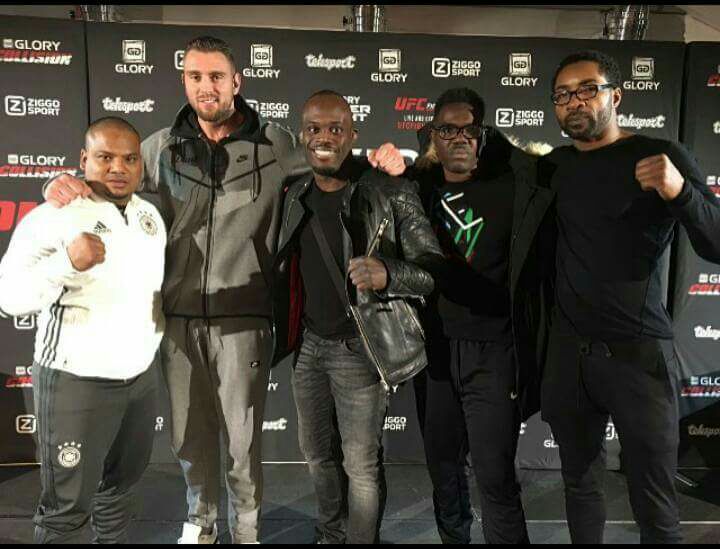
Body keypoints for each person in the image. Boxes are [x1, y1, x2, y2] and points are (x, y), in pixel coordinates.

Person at [43, 36, 405, 545]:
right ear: (184, 81)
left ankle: (247, 532)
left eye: (216, 76)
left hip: (245, 321)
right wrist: (55, 182)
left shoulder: (276, 144)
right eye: (195, 76)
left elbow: (331, 161)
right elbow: (106, 179)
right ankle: (201, 524)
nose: (206, 86)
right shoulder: (158, 148)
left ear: (237, 81)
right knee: (188, 441)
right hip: (176, 321)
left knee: (242, 444)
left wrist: (381, 164)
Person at [531, 50, 720, 544]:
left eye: (587, 89)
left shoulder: (661, 154)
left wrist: (680, 191)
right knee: (579, 485)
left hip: (638, 355)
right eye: (563, 94)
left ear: (615, 96)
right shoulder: (553, 167)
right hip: (569, 356)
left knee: (654, 499)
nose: (575, 102)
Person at [271, 90, 444, 544]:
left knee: (361, 465)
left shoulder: (388, 189)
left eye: (335, 128)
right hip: (308, 348)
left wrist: (389, 273)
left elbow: (432, 270)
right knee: (317, 457)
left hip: (360, 348)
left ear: (352, 135)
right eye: (314, 128)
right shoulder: (295, 194)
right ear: (302, 135)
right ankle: (331, 534)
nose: (324, 137)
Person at [0, 117, 165, 543]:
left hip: (140, 380)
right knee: (66, 508)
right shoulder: (52, 217)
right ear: (83, 159)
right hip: (75, 381)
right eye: (105, 157)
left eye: (129, 159)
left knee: (120, 489)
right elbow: (8, 297)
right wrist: (66, 263)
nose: (118, 168)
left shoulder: (149, 215)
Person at [404, 87, 550, 544]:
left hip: (495, 350)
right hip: (435, 351)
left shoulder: (513, 182)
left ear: (484, 133)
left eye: (469, 129)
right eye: (448, 130)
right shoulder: (419, 187)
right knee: (443, 468)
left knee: (494, 474)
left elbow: (541, 166)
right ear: (433, 135)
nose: (459, 138)